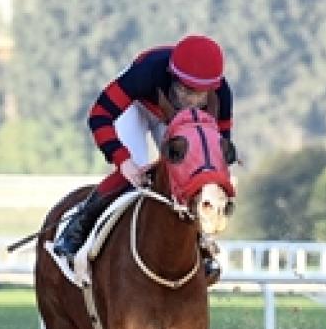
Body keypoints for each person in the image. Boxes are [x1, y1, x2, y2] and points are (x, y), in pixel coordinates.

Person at [51, 34, 234, 284]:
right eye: (187, 91)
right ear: (172, 77)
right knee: (133, 175)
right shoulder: (146, 74)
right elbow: (99, 115)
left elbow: (218, 151)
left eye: (200, 95)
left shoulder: (222, 95)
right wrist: (123, 161)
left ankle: (202, 246)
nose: (191, 101)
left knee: (191, 179)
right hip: (136, 106)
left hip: (173, 120)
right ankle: (78, 227)